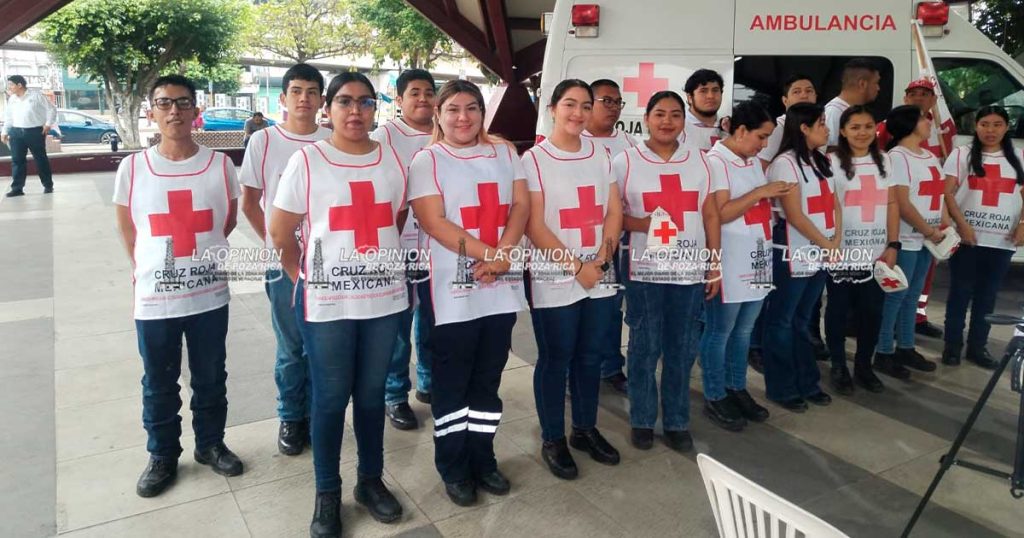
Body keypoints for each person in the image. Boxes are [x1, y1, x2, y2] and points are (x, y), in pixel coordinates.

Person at [270, 72, 407, 536]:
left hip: (384, 300)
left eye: (365, 102)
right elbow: (280, 231)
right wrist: (302, 277)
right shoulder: (309, 161)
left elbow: (398, 215)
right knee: (329, 398)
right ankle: (327, 491)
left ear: (375, 109)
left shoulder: (391, 160)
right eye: (345, 102)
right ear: (327, 109)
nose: (355, 111)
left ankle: (370, 481)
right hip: (327, 303)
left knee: (370, 397)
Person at [112, 75, 244, 498]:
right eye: (164, 103)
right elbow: (129, 230)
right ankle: (163, 454)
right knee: (159, 380)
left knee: (211, 376)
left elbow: (227, 222)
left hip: (208, 294)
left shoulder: (220, 165)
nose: (174, 111)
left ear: (195, 110)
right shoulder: (133, 167)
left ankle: (210, 444)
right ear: (151, 111)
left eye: (182, 103)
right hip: (154, 299)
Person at [407, 79, 529, 506]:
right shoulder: (428, 160)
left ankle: (484, 458)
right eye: (453, 109)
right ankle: (454, 467)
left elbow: (520, 206)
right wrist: (492, 255)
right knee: (452, 384)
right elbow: (434, 222)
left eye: (473, 108)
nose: (464, 117)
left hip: (500, 285)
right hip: (452, 291)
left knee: (488, 381)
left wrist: (504, 255)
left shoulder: (504, 152)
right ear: (438, 115)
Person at [524, 79, 623, 480]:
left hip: (599, 269)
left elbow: (613, 210)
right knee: (556, 357)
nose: (578, 113)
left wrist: (601, 257)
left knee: (591, 355)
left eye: (586, 105)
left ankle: (584, 428)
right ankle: (553, 438)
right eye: (570, 104)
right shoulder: (533, 159)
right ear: (552, 108)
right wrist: (576, 267)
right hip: (555, 274)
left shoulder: (600, 153)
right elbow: (534, 223)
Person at [615, 90, 719, 450]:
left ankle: (676, 421)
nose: (667, 121)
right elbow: (612, 216)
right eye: (659, 114)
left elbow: (710, 215)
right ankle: (642, 418)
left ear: (683, 120)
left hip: (689, 271)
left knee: (682, 348)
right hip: (645, 272)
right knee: (644, 346)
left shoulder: (703, 161)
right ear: (646, 118)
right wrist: (641, 223)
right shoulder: (625, 161)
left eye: (675, 115)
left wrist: (714, 266)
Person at [239, 63, 331, 456]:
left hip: (331, 261)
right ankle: (291, 417)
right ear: (282, 98)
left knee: (325, 346)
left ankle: (320, 413)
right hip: (284, 264)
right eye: (296, 91)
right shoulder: (263, 141)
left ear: (322, 100)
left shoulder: (333, 138)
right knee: (291, 346)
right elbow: (249, 202)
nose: (304, 99)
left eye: (312, 91)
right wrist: (278, 246)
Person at [701, 102, 786, 430]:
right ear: (739, 131)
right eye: (761, 137)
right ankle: (714, 393)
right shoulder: (716, 162)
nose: (764, 144)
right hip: (730, 257)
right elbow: (719, 214)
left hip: (757, 255)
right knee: (720, 330)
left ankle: (737, 387)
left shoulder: (750, 162)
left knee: (745, 330)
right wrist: (762, 191)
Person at [763, 103, 840, 411]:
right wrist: (826, 242)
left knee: (804, 320)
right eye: (821, 123)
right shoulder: (785, 164)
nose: (827, 128)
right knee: (781, 321)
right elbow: (793, 214)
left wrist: (836, 239)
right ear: (804, 128)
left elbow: (835, 203)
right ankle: (782, 387)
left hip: (820, 251)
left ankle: (807, 382)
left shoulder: (823, 160)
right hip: (793, 251)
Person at [372, 68, 437, 431]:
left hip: (435, 244)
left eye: (429, 92)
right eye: (415, 93)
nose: (423, 99)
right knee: (397, 324)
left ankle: (429, 382)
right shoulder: (384, 136)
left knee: (432, 318)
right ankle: (394, 394)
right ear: (399, 100)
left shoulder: (444, 134)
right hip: (396, 244)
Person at [941, 105, 1024, 369]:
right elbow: (947, 193)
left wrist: (1023, 224)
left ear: (1006, 127)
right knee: (959, 294)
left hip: (1002, 241)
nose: (990, 130)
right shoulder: (961, 154)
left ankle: (978, 347)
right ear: (976, 126)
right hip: (968, 239)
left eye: (997, 124)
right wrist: (962, 225)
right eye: (985, 124)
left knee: (987, 297)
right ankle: (952, 347)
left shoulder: (1019, 157)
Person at [825, 105, 899, 394]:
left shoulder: (884, 159)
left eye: (868, 126)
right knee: (839, 311)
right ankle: (839, 366)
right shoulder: (830, 161)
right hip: (842, 252)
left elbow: (892, 203)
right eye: (855, 127)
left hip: (877, 253)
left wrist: (893, 244)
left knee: (872, 311)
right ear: (842, 130)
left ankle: (864, 366)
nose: (862, 132)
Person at [874, 105, 946, 380]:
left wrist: (941, 226)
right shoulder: (897, 157)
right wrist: (928, 230)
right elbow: (901, 203)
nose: (929, 123)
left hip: (929, 237)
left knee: (913, 296)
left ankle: (906, 346)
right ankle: (883, 352)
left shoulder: (929, 155)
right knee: (896, 296)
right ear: (909, 124)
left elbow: (936, 194)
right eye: (923, 118)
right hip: (907, 236)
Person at [583, 78, 637, 395]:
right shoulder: (575, 141)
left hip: (620, 243)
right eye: (607, 100)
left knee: (612, 307)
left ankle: (611, 366)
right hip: (581, 240)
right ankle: (579, 367)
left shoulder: (629, 144)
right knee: (583, 309)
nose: (614, 107)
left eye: (618, 102)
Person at [3, 75, 56, 197]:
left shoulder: (36, 96)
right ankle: (17, 188)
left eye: (11, 85)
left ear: (19, 85)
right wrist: (5, 131)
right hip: (16, 132)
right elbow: (9, 117)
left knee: (40, 159)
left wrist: (48, 124)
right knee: (17, 161)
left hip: (34, 132)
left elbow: (51, 109)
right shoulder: (12, 99)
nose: (9, 87)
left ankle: (48, 185)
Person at [759, 74, 818, 168]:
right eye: (797, 92)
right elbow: (762, 167)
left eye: (809, 91)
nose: (804, 95)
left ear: (815, 97)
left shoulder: (820, 129)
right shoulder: (777, 128)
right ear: (785, 100)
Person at [824, 58, 881, 150]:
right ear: (862, 84)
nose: (878, 88)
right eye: (876, 83)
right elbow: (830, 153)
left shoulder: (853, 110)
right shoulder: (833, 112)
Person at [679, 69, 729, 152]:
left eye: (715, 90)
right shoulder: (678, 127)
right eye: (703, 91)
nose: (710, 96)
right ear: (690, 98)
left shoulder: (729, 128)